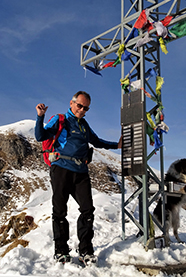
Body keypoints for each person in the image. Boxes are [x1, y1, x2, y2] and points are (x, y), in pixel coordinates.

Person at [34, 91, 122, 264]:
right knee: (59, 211)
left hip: (81, 171)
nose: (82, 110)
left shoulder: (84, 125)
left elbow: (97, 141)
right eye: (79, 106)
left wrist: (117, 146)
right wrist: (40, 117)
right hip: (61, 169)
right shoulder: (60, 119)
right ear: (72, 103)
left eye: (86, 108)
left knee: (87, 209)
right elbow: (40, 136)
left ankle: (86, 250)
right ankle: (61, 250)